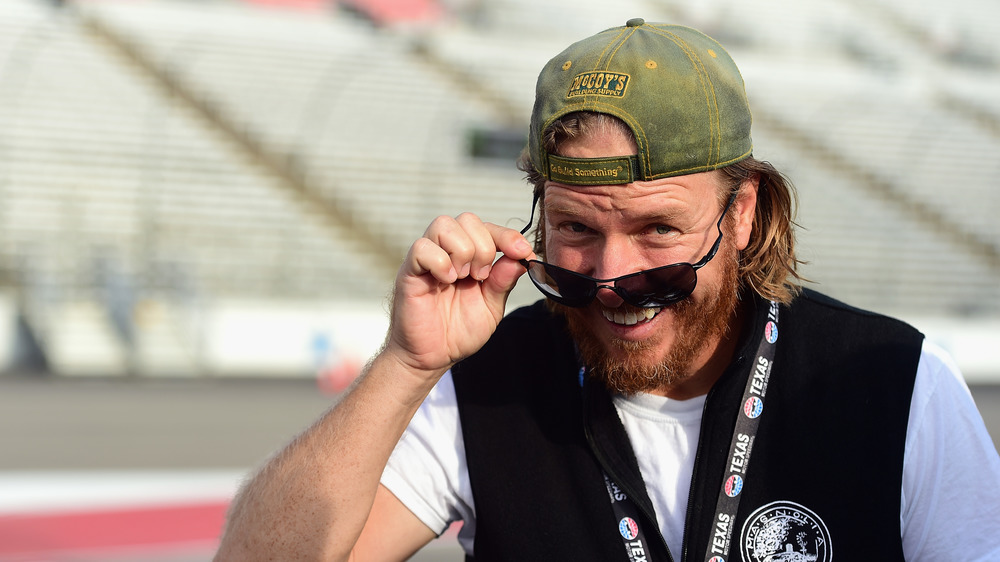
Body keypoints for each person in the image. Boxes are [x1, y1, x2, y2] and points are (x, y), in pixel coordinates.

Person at [215, 19, 1000, 561]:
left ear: (743, 212)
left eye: (659, 230)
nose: (613, 279)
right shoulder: (484, 386)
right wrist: (405, 365)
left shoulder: (893, 384)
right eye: (577, 232)